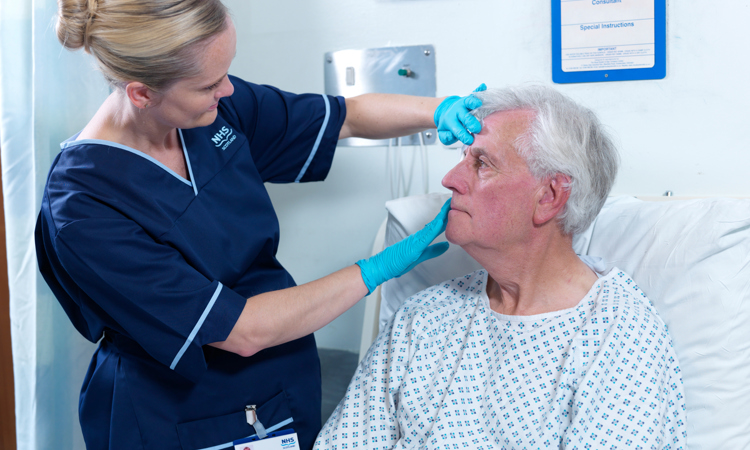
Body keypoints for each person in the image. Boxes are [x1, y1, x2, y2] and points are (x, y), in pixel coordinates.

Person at [35, 1, 486, 449]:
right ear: (142, 93)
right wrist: (377, 269)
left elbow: (346, 117)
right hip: (174, 413)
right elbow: (242, 330)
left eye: (226, 72)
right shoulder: (84, 207)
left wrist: (440, 110)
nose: (229, 89)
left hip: (277, 385)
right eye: (209, 84)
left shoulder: (211, 111)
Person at [314, 86, 688, 449]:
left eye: (481, 163)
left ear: (549, 197)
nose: (449, 180)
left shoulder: (619, 333)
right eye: (463, 158)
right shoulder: (422, 317)